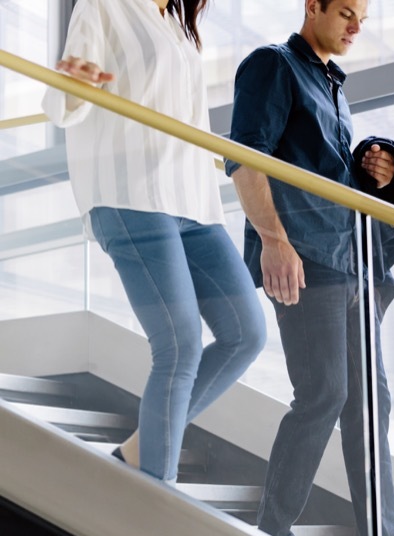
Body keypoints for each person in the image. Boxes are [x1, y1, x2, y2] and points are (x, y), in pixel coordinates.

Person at [226, 0, 394, 536]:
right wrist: (273, 242)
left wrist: (373, 169)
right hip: (305, 260)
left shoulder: (333, 87)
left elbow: (330, 177)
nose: (356, 26)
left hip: (350, 262)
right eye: (344, 12)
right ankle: (272, 534)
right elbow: (245, 159)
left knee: (370, 407)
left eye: (363, 16)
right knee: (325, 394)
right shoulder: (273, 66)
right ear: (312, 7)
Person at [41, 0, 266, 484]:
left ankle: (140, 452)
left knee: (246, 333)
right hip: (130, 193)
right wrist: (74, 84)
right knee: (180, 346)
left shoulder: (178, 25)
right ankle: (154, 503)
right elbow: (63, 102)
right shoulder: (104, 5)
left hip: (192, 201)